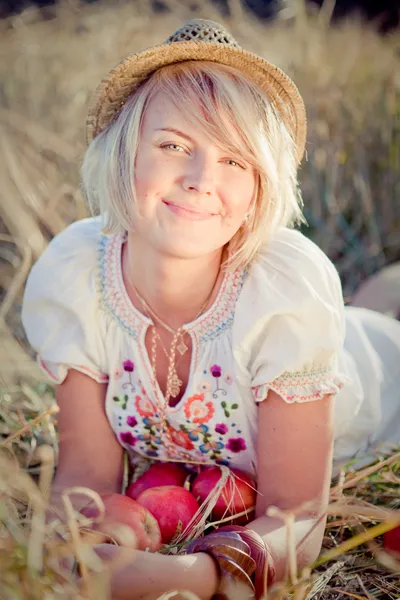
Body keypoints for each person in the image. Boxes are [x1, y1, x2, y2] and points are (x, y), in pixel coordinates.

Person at [21, 18, 400, 600]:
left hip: (380, 379)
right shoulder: (79, 278)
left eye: (234, 160)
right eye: (173, 145)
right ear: (126, 155)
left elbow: (295, 518)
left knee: (378, 329)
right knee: (367, 309)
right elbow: (83, 478)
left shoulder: (286, 293)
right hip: (325, 333)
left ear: (258, 187)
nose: (201, 179)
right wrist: (80, 540)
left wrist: (195, 576)